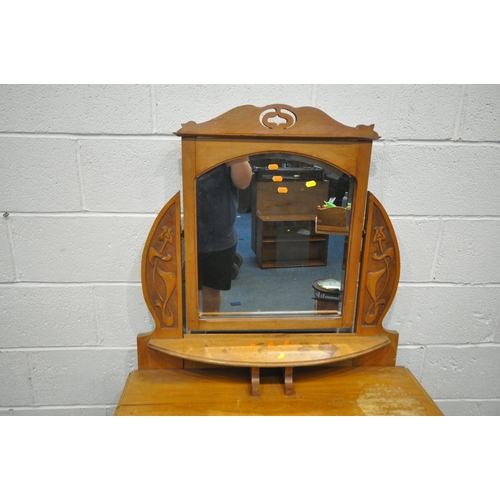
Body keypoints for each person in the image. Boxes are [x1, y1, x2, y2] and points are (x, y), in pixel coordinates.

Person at [196, 156, 252, 312]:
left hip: (219, 233)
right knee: (185, 289)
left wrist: (235, 150)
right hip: (185, 231)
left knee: (212, 291)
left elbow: (243, 182)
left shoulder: (225, 139)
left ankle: (209, 334)